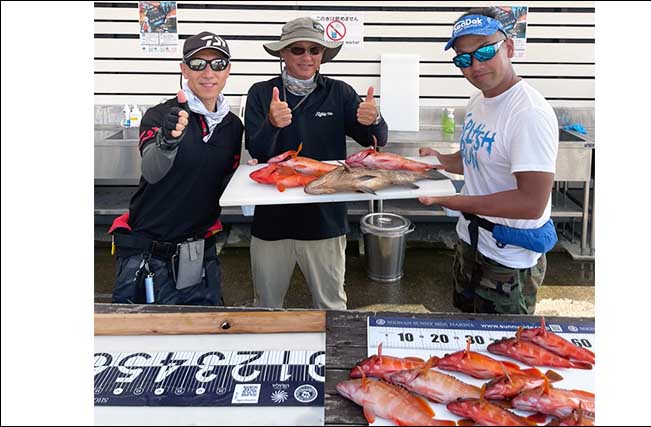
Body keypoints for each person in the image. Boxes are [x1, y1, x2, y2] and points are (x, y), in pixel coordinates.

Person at [418, 8, 559, 315]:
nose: (475, 65)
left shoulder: (528, 114)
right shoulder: (479, 101)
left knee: (500, 349)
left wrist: (457, 201)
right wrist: (442, 161)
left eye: (484, 51)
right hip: (472, 242)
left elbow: (531, 202)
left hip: (508, 259)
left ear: (508, 48)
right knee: (466, 332)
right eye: (463, 59)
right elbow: (475, 160)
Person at [245, 17, 389, 310]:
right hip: (271, 221)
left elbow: (374, 142)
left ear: (323, 54)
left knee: (331, 307)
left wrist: (375, 119)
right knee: (266, 307)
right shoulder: (261, 93)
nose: (307, 57)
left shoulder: (340, 92)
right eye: (297, 50)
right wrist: (273, 124)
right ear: (282, 53)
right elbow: (256, 151)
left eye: (315, 50)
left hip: (325, 220)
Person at [109, 31, 244, 306]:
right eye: (198, 64)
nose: (208, 72)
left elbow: (225, 182)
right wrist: (168, 140)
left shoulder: (233, 126)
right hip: (147, 253)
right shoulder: (161, 116)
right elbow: (152, 169)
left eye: (218, 64)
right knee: (142, 339)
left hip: (199, 252)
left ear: (228, 71)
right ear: (184, 69)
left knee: (205, 332)